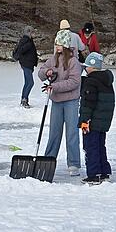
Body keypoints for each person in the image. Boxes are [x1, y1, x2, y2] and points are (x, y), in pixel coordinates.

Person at [37, 30, 82, 176]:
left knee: (72, 133)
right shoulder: (53, 59)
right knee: (54, 132)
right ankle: (48, 159)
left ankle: (74, 163)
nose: (57, 47)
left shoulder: (74, 62)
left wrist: (54, 87)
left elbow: (74, 82)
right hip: (56, 101)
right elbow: (41, 71)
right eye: (56, 43)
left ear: (66, 45)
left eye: (60, 44)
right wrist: (47, 72)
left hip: (71, 101)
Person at [78, 52, 115, 184]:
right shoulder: (106, 80)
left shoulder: (91, 82)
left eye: (86, 67)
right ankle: (104, 171)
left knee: (90, 147)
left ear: (92, 67)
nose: (85, 69)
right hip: (103, 121)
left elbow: (89, 103)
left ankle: (93, 174)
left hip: (91, 122)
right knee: (100, 146)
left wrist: (84, 120)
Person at [12, 26, 39, 107]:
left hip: (28, 64)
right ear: (29, 32)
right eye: (33, 32)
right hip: (26, 64)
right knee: (30, 82)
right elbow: (21, 51)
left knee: (27, 82)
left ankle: (24, 99)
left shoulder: (28, 40)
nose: (34, 34)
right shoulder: (27, 41)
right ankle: (24, 99)